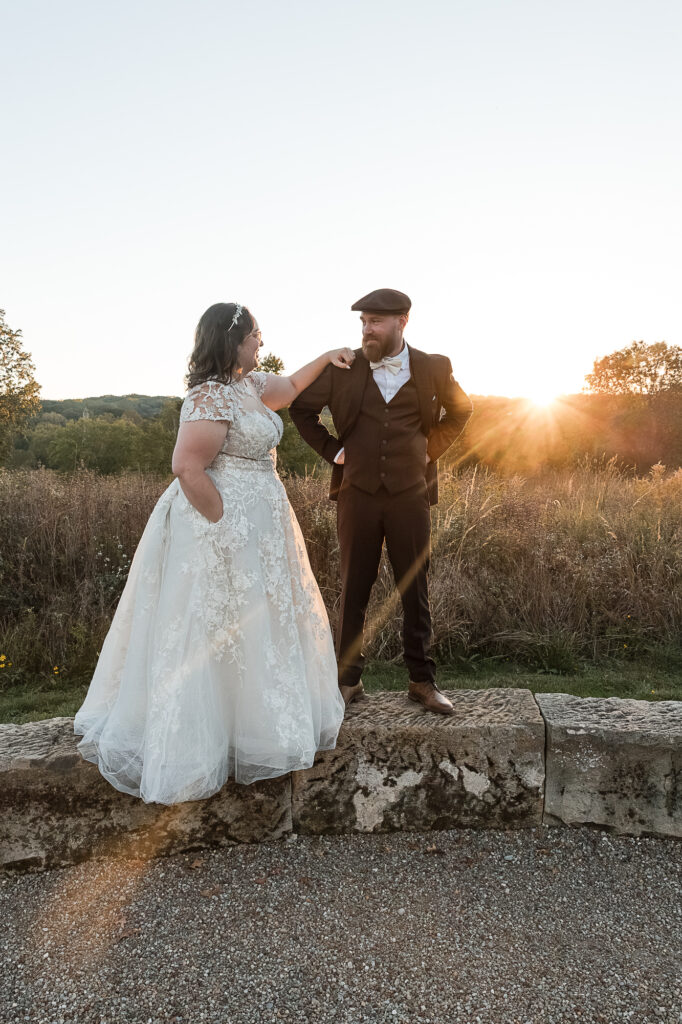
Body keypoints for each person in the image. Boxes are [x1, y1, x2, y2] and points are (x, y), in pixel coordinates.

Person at [74, 302, 354, 804]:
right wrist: (224, 523)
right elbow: (187, 466)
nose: (261, 343)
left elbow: (292, 386)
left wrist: (328, 355)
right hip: (220, 525)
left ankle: (255, 729)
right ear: (233, 341)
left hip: (263, 523)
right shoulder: (209, 396)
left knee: (255, 620)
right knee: (213, 621)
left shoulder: (252, 386)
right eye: (255, 335)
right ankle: (198, 744)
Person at [290, 288, 472, 715]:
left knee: (414, 587)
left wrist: (430, 451)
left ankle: (422, 681)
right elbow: (301, 410)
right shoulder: (344, 368)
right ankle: (347, 680)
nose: (366, 330)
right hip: (357, 494)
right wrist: (334, 451)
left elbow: (461, 411)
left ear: (401, 322)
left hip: (411, 494)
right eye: (363, 322)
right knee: (354, 587)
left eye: (375, 322)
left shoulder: (434, 366)